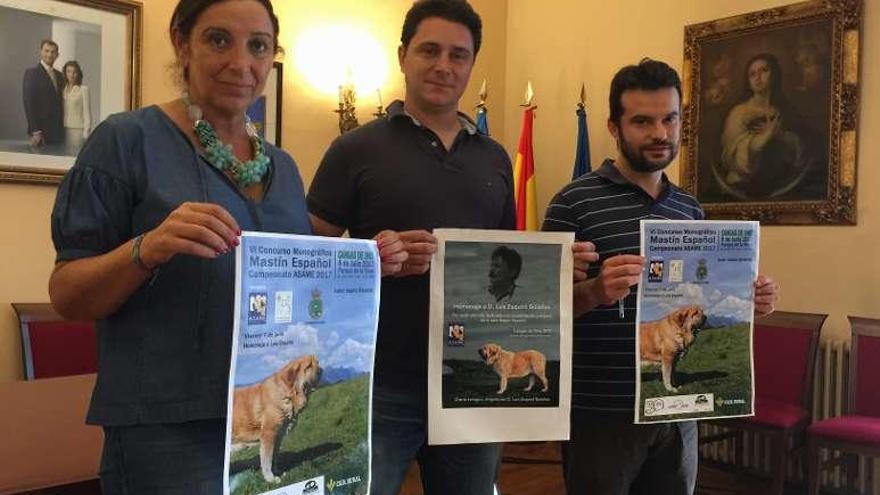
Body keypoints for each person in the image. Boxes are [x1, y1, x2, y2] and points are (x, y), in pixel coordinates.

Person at [48, 1, 406, 493]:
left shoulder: (281, 168)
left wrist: (367, 263)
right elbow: (66, 294)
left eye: (258, 46)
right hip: (168, 431)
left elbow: (297, 288)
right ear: (181, 42)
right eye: (219, 40)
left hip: (266, 416)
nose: (241, 63)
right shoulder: (125, 142)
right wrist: (146, 248)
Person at [307, 1, 596, 493]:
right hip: (381, 382)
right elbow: (309, 260)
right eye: (430, 50)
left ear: (471, 65)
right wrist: (376, 260)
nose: (444, 65)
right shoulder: (354, 150)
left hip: (470, 383)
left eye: (459, 55)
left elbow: (503, 262)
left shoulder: (496, 158)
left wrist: (550, 273)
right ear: (403, 56)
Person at [542, 59, 779, 495]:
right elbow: (541, 312)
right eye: (642, 121)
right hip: (602, 414)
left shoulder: (689, 208)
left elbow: (704, 294)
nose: (659, 133)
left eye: (669, 119)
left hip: (677, 413)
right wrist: (594, 291)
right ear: (613, 126)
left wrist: (749, 299)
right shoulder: (572, 203)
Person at [718, 53, 806, 199]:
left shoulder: (785, 110)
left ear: (774, 74)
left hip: (781, 185)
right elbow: (730, 156)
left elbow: (801, 151)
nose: (758, 77)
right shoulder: (739, 113)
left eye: (764, 70)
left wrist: (781, 136)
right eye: (752, 74)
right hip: (744, 186)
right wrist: (762, 139)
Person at [22, 39, 64, 150]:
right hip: (40, 132)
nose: (49, 54)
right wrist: (36, 130)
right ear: (41, 52)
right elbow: (28, 103)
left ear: (57, 55)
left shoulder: (60, 76)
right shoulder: (32, 73)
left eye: (53, 52)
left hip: (58, 132)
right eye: (46, 51)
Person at [61, 60, 92, 155]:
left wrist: (86, 132)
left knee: (74, 155)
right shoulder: (63, 89)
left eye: (74, 72)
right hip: (63, 128)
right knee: (64, 154)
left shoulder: (83, 89)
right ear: (65, 73)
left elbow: (87, 113)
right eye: (69, 71)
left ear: (78, 74)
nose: (71, 75)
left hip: (77, 129)